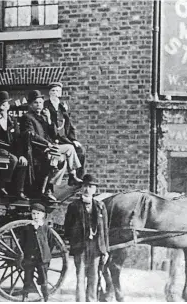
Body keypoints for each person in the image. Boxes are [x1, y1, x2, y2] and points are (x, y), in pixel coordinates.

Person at [64, 174, 110, 302]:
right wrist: (71, 242)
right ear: (81, 188)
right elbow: (67, 227)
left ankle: (91, 300)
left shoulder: (100, 206)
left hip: (96, 247)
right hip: (80, 246)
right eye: (85, 186)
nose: (87, 189)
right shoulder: (74, 206)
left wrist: (105, 250)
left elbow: (105, 230)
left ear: (95, 189)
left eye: (90, 187)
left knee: (94, 276)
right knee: (80, 276)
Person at [20, 90, 57, 200]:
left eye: (41, 102)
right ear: (30, 104)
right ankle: (44, 190)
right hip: (35, 149)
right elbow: (32, 135)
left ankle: (47, 187)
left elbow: (53, 134)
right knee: (50, 160)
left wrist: (49, 119)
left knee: (60, 160)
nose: (39, 105)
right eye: (36, 103)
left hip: (46, 147)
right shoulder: (27, 117)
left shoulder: (44, 117)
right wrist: (47, 144)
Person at [45, 82, 86, 183]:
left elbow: (69, 124)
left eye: (58, 91)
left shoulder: (63, 106)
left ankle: (76, 177)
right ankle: (71, 175)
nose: (55, 93)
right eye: (53, 91)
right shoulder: (45, 105)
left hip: (63, 138)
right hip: (51, 138)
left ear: (61, 93)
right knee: (64, 155)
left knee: (80, 150)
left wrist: (74, 139)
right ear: (49, 93)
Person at [21, 203, 53, 302]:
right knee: (27, 278)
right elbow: (22, 242)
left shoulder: (46, 228)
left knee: (43, 278)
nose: (35, 216)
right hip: (30, 257)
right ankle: (25, 297)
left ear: (43, 215)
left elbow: (51, 242)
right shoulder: (27, 227)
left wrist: (45, 253)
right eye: (33, 214)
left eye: (38, 214)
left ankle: (45, 298)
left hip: (42, 258)